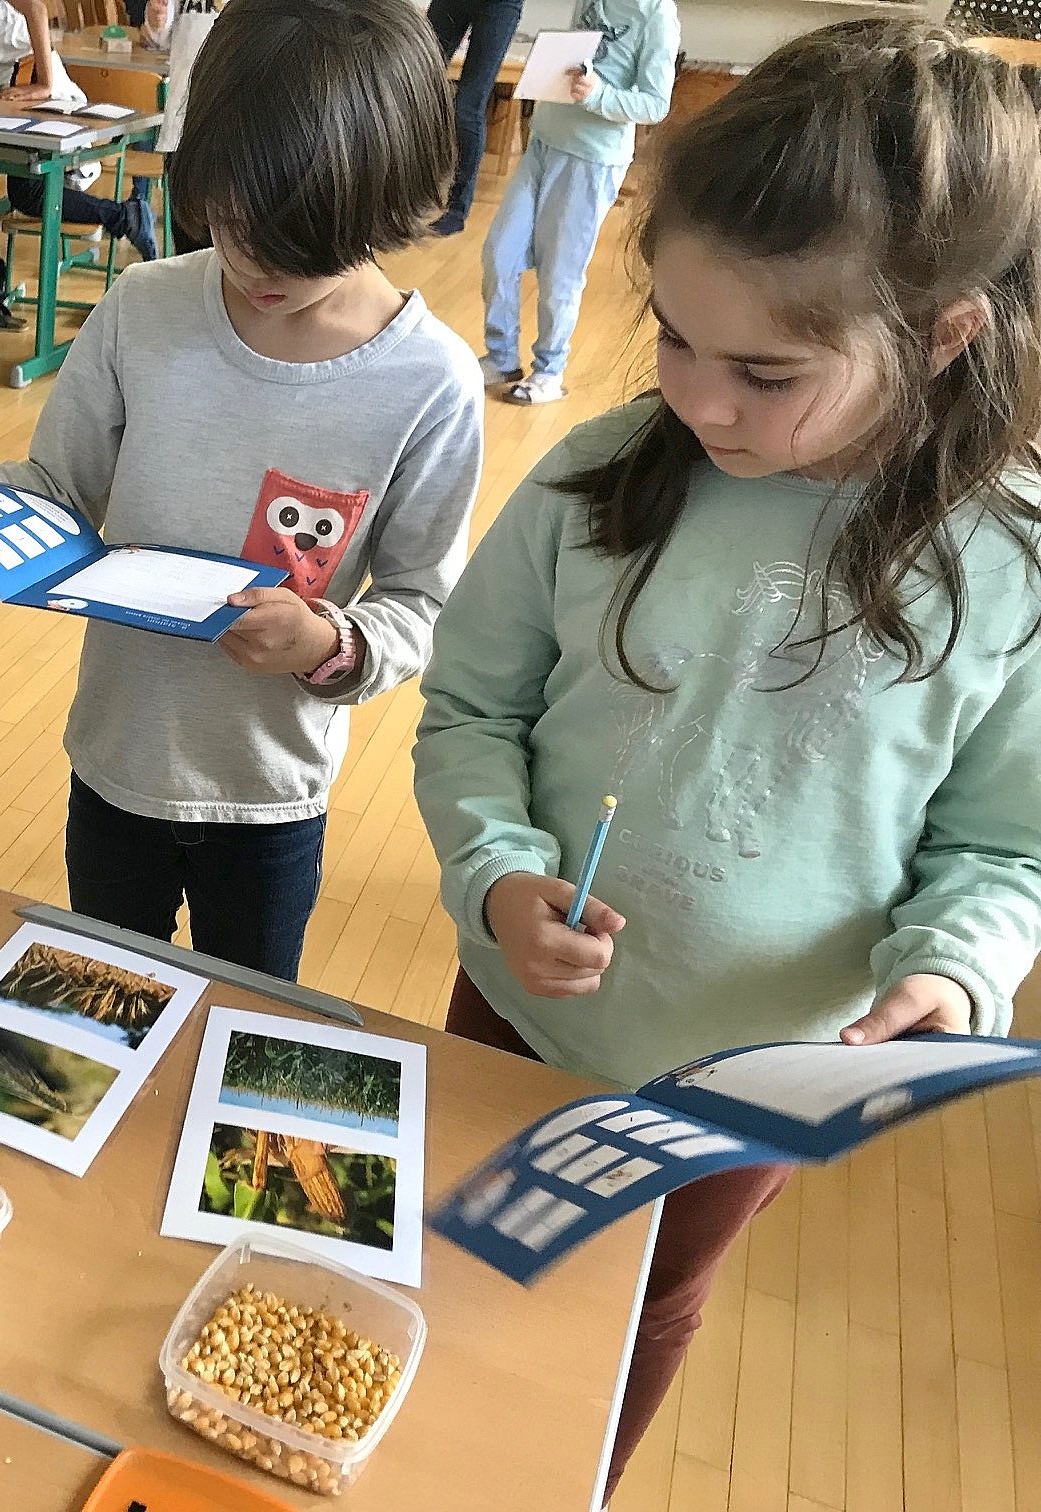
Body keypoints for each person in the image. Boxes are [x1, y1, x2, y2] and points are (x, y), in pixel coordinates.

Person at [413, 22, 1041, 1502]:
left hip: (754, 1073)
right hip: (511, 1010)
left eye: (764, 370)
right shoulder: (595, 474)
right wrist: (500, 878)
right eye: (675, 337)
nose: (700, 401)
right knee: (450, 1257)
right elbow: (470, 715)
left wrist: (956, 966)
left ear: (943, 332)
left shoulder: (1011, 564)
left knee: (638, 1307)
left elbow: (1006, 849)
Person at [0, 0, 481, 980]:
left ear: (388, 203)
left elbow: (421, 603)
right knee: (103, 993)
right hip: (116, 760)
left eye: (304, 244)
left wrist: (329, 641)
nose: (260, 267)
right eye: (235, 224)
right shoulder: (142, 307)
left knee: (246, 1011)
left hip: (269, 792)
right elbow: (57, 491)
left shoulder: (430, 383)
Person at [479, 0, 676, 403]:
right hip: (544, 141)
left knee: (559, 276)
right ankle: (501, 357)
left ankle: (549, 372)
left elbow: (654, 104)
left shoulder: (656, 13)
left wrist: (597, 93)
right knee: (499, 253)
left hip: (591, 158)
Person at [0, 0, 158, 330]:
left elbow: (36, 8)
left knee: (27, 192)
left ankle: (123, 216)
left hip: (32, 74)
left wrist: (44, 84)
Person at [425, 0, 523, 237]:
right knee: (417, 87)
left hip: (499, 6)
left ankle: (457, 209)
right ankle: (402, 193)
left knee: (466, 108)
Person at [140, 0, 219, 256]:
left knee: (231, 241)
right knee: (188, 241)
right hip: (183, 126)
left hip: (238, 131)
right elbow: (158, 39)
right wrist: (156, 19)